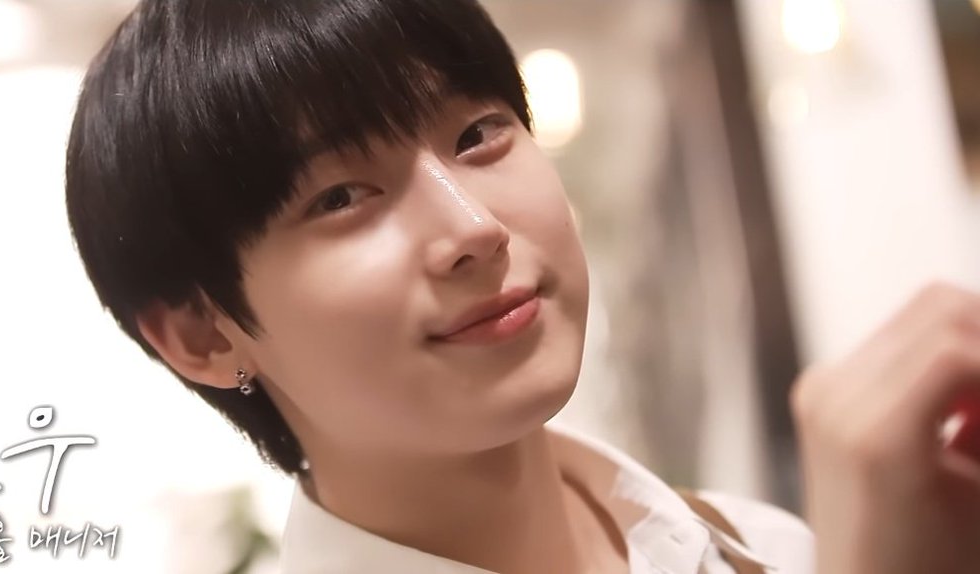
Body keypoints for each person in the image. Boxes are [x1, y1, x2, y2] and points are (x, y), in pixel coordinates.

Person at [63, 0, 980, 572]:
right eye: (341, 197)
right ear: (204, 333)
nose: (473, 228)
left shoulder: (759, 547)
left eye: (479, 135)